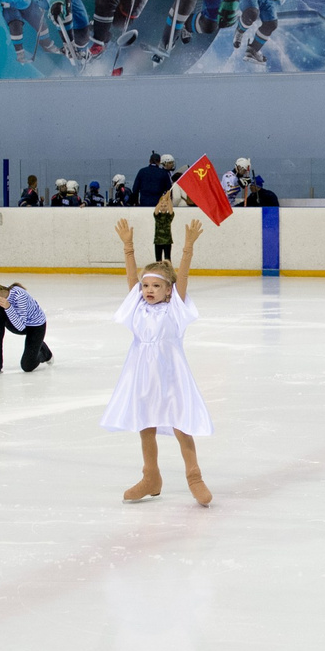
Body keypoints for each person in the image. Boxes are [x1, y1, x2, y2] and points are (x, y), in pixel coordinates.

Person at [106, 215, 213, 506]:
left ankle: (194, 476)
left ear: (168, 290)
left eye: (155, 286)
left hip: (172, 374)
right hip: (141, 373)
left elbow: (184, 278)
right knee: (146, 424)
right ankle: (151, 476)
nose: (148, 291)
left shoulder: (175, 309)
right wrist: (128, 248)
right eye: (145, 286)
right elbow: (131, 280)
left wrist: (187, 248)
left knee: (181, 424)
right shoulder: (138, 308)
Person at [0, 276, 52, 373]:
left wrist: (8, 307)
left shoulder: (19, 295)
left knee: (27, 366)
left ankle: (44, 352)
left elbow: (21, 327)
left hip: (35, 326)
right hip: (15, 323)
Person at [150, 189, 175, 263]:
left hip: (167, 241)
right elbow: (156, 210)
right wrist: (163, 199)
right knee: (158, 260)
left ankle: (168, 272)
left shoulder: (169, 216)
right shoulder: (157, 216)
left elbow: (171, 210)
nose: (163, 207)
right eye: (162, 206)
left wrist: (168, 198)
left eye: (165, 206)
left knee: (167, 259)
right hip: (158, 241)